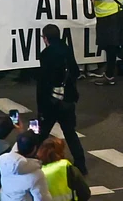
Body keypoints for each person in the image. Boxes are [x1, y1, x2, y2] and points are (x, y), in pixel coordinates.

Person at [37, 24, 87, 176]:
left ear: (45, 38)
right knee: (70, 133)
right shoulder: (66, 50)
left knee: (42, 133)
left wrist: (41, 106)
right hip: (67, 100)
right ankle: (80, 164)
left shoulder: (46, 55)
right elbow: (75, 72)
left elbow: (44, 82)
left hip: (51, 102)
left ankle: (35, 161)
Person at [0, 130, 52, 201]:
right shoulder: (36, 175)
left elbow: (14, 153)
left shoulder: (3, 159)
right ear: (35, 148)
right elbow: (42, 199)